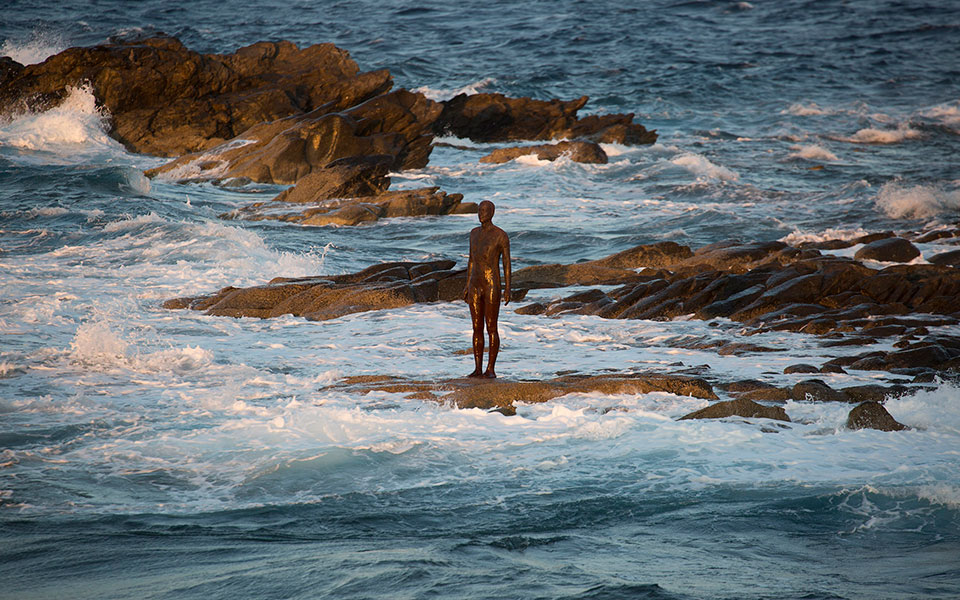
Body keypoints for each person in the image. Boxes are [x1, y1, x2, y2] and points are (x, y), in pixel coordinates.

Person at [463, 200, 511, 378]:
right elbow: (471, 260)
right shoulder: (473, 233)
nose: (481, 213)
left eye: (485, 210)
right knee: (476, 327)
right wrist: (467, 284)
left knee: (491, 327)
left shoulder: (501, 235)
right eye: (479, 210)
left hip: (492, 284)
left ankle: (490, 369)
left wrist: (508, 288)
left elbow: (506, 263)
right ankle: (477, 369)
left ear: (492, 213)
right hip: (475, 284)